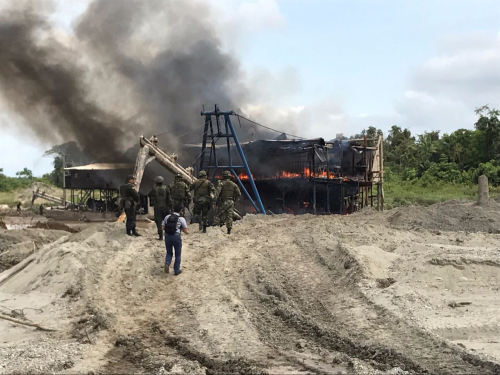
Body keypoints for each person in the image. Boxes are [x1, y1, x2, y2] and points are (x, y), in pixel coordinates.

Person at [162, 204, 188, 276]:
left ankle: (167, 263)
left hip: (167, 236)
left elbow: (162, 228)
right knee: (178, 254)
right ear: (180, 211)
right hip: (176, 236)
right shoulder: (181, 219)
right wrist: (182, 229)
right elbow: (185, 231)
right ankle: (176, 270)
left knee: (169, 252)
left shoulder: (167, 217)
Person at [148, 176, 172, 240]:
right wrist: (171, 207)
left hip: (157, 207)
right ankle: (168, 234)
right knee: (167, 221)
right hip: (165, 207)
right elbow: (169, 199)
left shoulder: (154, 189)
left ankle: (160, 236)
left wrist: (153, 188)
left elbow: (149, 195)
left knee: (159, 222)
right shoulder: (166, 188)